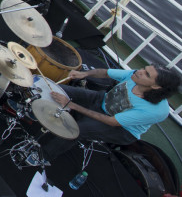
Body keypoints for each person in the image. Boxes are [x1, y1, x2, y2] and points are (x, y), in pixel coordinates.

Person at [39, 66, 180, 165]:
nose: (140, 71)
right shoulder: (135, 75)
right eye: (145, 68)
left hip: (122, 130)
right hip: (103, 100)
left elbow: (112, 122)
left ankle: (43, 156)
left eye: (147, 74)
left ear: (156, 87)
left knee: (76, 128)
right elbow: (106, 73)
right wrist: (85, 74)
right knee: (58, 89)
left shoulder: (156, 111)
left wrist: (71, 104)